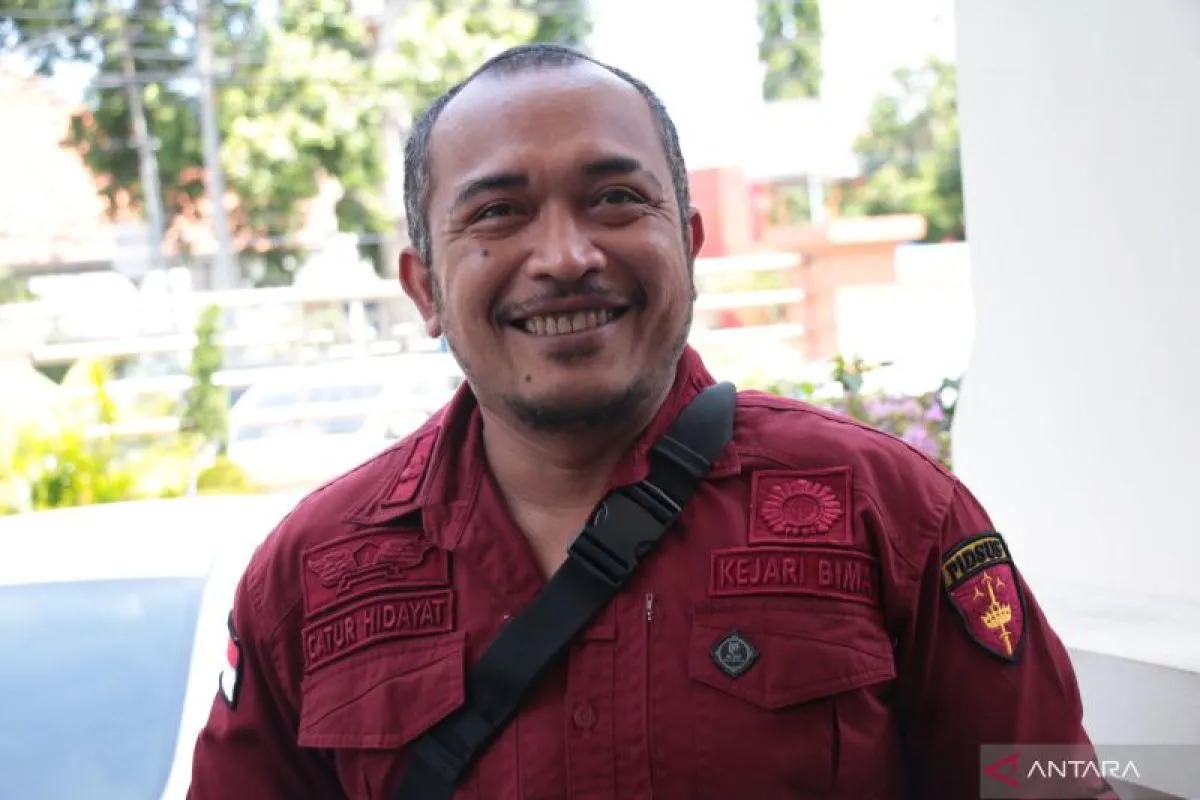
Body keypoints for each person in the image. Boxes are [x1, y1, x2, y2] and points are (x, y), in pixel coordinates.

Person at [187, 43, 1114, 799]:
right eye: (500, 212)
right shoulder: (310, 577)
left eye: (615, 199)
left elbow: (1048, 784)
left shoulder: (893, 513)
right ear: (424, 286)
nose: (565, 256)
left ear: (690, 244)